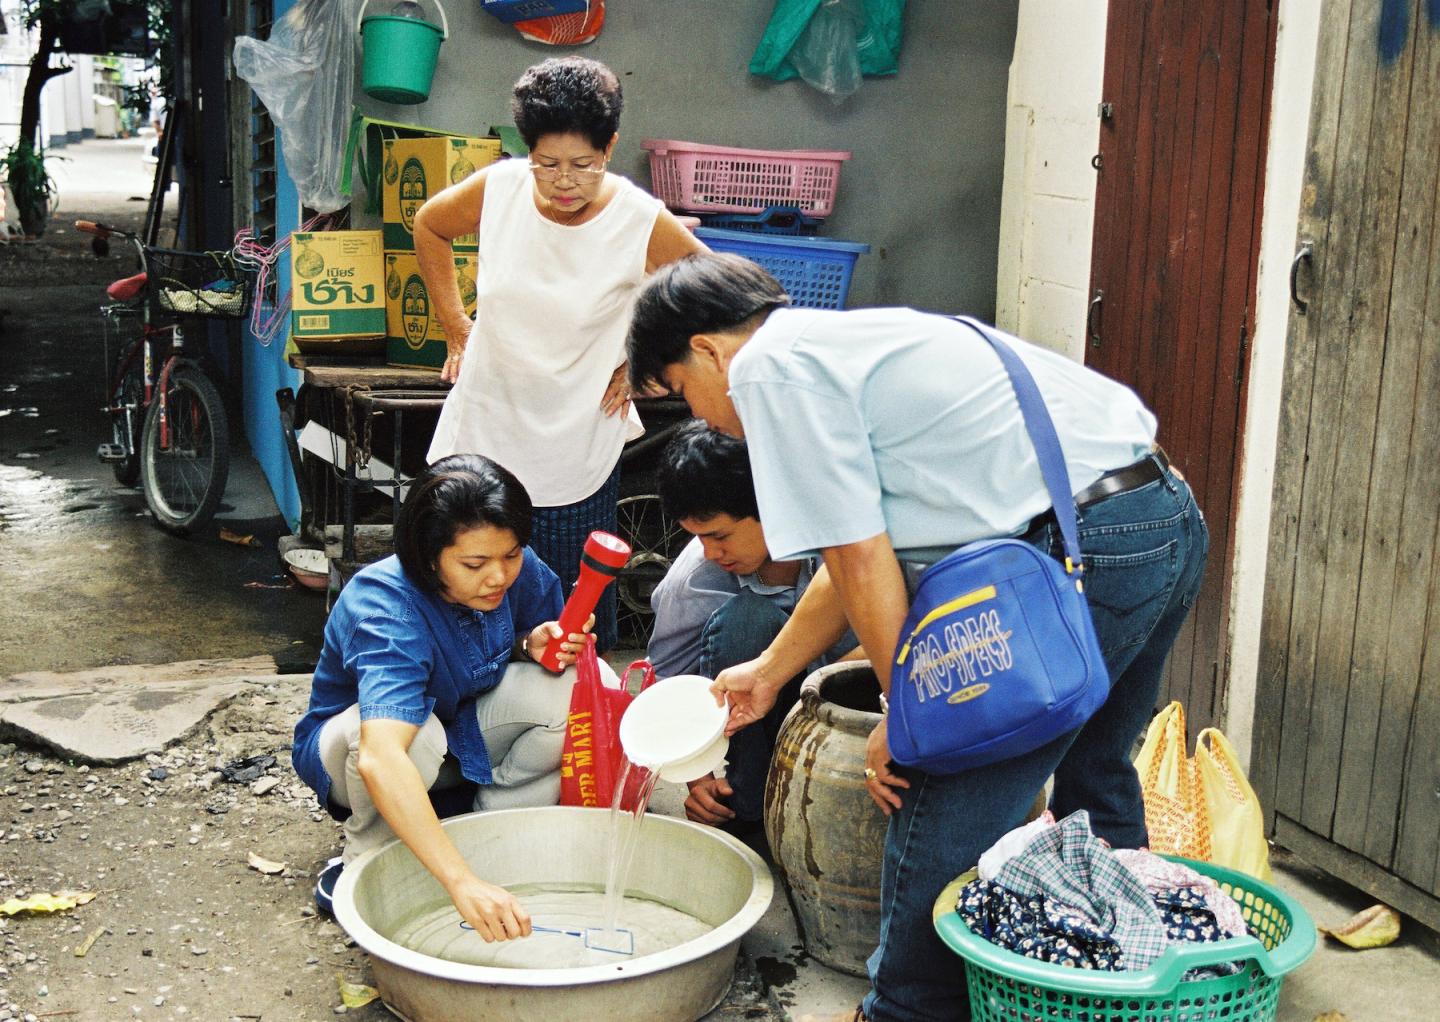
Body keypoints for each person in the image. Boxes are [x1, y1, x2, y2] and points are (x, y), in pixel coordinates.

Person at [626, 254, 1209, 1022]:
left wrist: (914, 716)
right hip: (1159, 518)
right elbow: (851, 549)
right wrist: (770, 669)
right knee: (1095, 775)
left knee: (938, 788)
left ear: (707, 349)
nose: (701, 416)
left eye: (680, 393)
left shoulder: (770, 374)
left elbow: (862, 558)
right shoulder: (841, 346)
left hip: (1085, 548)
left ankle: (901, 1013)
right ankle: (1113, 991)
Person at [414, 56, 705, 653]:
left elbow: (709, 281)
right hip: (486, 424)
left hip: (576, 441)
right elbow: (429, 225)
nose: (563, 181)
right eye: (547, 164)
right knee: (456, 594)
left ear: (611, 148)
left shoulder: (636, 218)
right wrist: (455, 327)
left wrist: (643, 355)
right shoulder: (499, 189)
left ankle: (561, 734)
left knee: (570, 615)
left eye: (583, 165)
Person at [292, 454, 610, 944]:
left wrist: (530, 645)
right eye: (475, 564)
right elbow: (380, 757)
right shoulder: (385, 605)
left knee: (581, 687)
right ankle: (367, 860)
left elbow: (543, 644)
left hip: (464, 732)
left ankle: (490, 839)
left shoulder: (511, 568)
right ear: (428, 555)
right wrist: (459, 883)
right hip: (363, 758)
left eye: (512, 554)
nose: (499, 578)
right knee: (410, 734)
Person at [647, 420, 856, 835]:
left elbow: (901, 638)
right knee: (749, 621)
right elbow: (666, 681)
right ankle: (748, 806)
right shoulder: (695, 577)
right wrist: (696, 773)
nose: (710, 552)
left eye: (720, 535)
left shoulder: (845, 546)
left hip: (848, 707)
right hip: (756, 715)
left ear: (773, 508)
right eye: (697, 537)